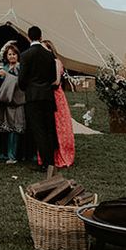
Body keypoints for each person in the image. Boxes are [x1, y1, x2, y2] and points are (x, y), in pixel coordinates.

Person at [17, 26, 58, 172]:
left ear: (29, 37)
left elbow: (21, 79)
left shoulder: (26, 55)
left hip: (33, 96)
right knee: (48, 129)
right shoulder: (49, 55)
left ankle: (46, 164)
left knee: (38, 130)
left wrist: (26, 88)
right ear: (40, 37)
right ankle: (51, 161)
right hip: (47, 95)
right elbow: (53, 77)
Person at [41, 40, 75, 168]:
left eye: (46, 49)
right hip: (47, 94)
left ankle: (61, 154)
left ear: (51, 50)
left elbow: (55, 81)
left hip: (55, 96)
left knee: (59, 125)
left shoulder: (56, 62)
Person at [0, 43, 25, 164]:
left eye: (14, 54)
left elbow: (21, 83)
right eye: (9, 54)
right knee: (5, 128)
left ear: (17, 55)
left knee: (14, 129)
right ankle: (3, 153)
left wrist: (7, 76)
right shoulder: (4, 67)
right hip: (5, 101)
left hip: (16, 101)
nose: (12, 56)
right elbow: (0, 86)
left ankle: (13, 155)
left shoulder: (20, 68)